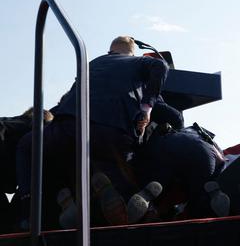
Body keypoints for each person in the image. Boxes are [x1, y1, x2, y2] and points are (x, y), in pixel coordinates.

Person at [15, 36, 169, 228]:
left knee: (29, 146)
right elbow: (161, 67)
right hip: (114, 134)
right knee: (120, 171)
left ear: (110, 51)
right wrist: (146, 108)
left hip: (71, 126)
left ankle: (30, 213)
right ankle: (142, 209)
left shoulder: (92, 64)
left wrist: (51, 121)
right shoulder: (137, 61)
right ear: (131, 52)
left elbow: (67, 99)